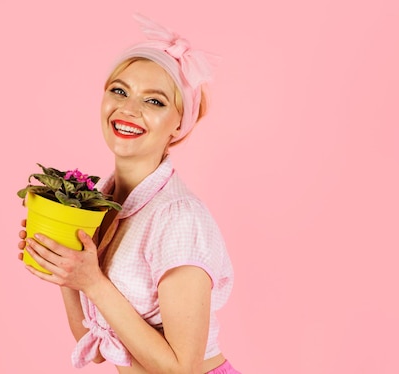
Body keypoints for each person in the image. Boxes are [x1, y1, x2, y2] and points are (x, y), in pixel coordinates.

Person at [17, 14, 239, 374]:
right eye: (119, 91)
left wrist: (92, 281)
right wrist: (67, 269)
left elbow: (182, 369)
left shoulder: (178, 217)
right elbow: (100, 349)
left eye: (155, 102)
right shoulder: (105, 206)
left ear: (178, 126)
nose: (129, 109)